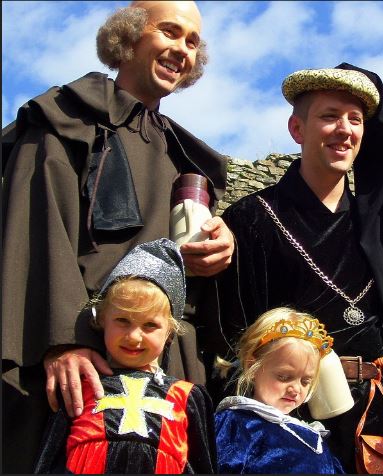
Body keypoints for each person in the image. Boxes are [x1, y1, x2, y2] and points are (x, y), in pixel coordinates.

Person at [1, 2, 233, 472]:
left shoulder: (183, 157)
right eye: (169, 32)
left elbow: (183, 272)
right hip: (80, 364)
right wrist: (63, 341)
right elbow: (33, 228)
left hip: (166, 368)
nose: (183, 50)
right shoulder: (64, 119)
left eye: (192, 42)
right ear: (127, 37)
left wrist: (217, 247)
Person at [214, 64, 383, 472]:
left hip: (380, 422)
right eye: (329, 116)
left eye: (355, 120)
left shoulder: (382, 231)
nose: (345, 130)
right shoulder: (252, 219)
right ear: (297, 129)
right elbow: (229, 336)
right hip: (287, 424)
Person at [33, 239, 215, 474]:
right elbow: (49, 458)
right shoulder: (81, 386)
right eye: (122, 320)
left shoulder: (185, 395)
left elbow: (202, 465)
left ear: (169, 332)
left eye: (150, 325)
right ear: (102, 320)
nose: (133, 337)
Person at [215, 307, 344, 474]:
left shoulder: (313, 436)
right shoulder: (238, 425)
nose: (295, 389)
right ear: (252, 367)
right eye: (284, 377)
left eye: (305, 381)